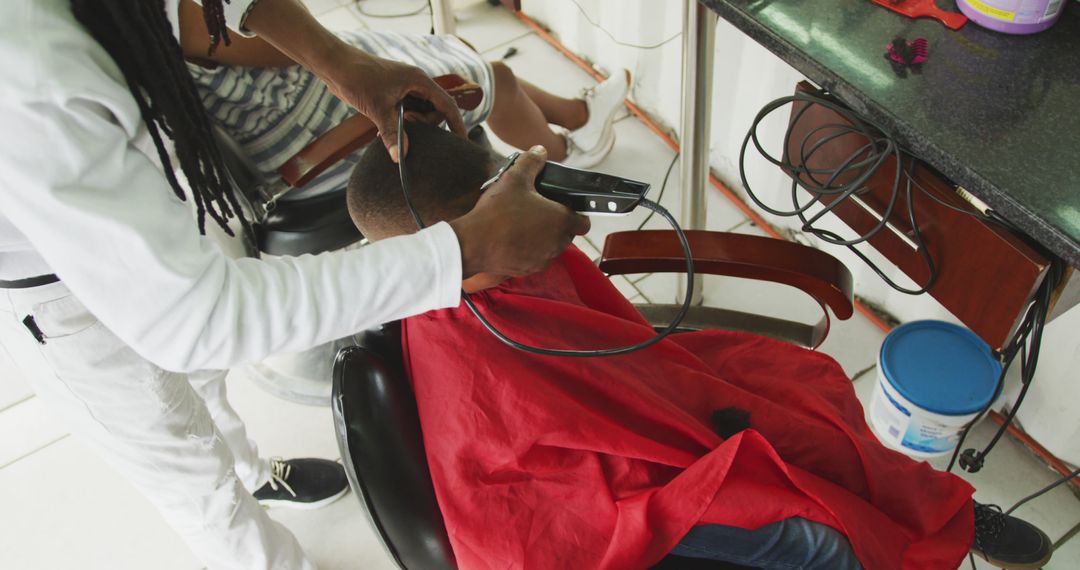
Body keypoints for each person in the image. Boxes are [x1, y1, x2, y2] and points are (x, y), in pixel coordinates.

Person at [0, 1, 587, 569]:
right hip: (61, 291)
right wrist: (461, 249)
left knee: (206, 387)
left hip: (169, 191)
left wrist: (340, 60)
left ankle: (254, 473)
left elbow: (197, 9)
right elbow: (197, 320)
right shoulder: (26, 64)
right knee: (193, 478)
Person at [344, 122, 1055, 570]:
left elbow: (613, 366)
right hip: (583, 516)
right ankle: (896, 530)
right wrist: (702, 452)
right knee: (820, 537)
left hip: (639, 393)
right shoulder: (472, 347)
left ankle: (941, 513)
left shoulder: (507, 251)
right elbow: (553, 496)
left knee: (806, 386)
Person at [176, 0, 631, 199]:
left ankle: (579, 116)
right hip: (305, 136)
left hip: (289, 107)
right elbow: (280, 46)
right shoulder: (178, 15)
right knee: (493, 78)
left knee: (457, 53)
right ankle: (563, 158)